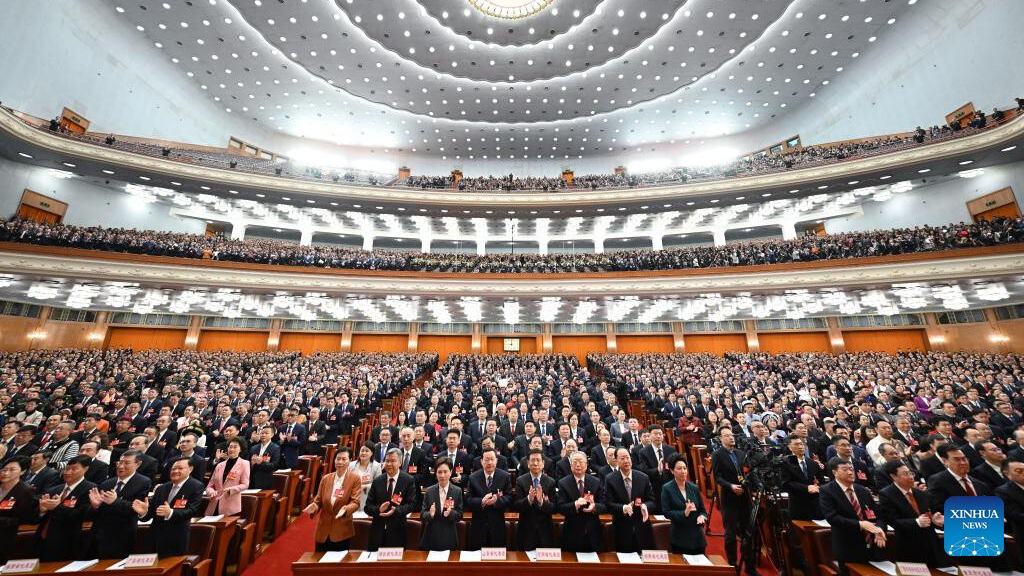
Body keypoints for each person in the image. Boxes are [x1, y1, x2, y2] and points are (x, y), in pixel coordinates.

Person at [819, 457, 887, 575]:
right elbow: (832, 518)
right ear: (835, 472)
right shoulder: (827, 491)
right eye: (845, 469)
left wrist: (880, 528)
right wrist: (860, 524)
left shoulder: (863, 491)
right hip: (848, 548)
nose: (850, 472)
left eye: (851, 469)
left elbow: (880, 515)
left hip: (873, 546)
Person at [877, 461, 947, 567]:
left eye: (911, 473)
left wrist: (936, 521)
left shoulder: (921, 494)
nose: (910, 477)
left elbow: (930, 515)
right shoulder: (886, 494)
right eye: (906, 474)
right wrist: (916, 522)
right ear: (893, 476)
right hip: (909, 546)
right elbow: (892, 520)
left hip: (932, 546)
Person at [87, 449, 152, 559]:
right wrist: (95, 506)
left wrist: (115, 501)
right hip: (98, 535)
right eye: (119, 462)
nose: (121, 466)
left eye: (126, 463)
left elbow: (135, 508)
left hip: (121, 536)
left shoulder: (143, 482)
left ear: (138, 464)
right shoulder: (107, 483)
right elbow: (94, 512)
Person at [133, 457, 204, 557]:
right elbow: (151, 513)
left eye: (180, 468)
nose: (175, 471)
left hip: (176, 537)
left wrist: (170, 512)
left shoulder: (196, 486)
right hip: (155, 538)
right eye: (173, 468)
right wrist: (143, 512)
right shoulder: (162, 488)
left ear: (190, 469)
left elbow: (192, 511)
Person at [35, 455, 95, 561]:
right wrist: (41, 511)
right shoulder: (53, 489)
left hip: (67, 542)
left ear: (85, 469)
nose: (68, 472)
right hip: (42, 540)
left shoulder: (90, 489)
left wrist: (57, 507)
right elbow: (33, 517)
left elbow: (82, 515)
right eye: (67, 468)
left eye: (74, 469)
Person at [711, 428, 755, 574]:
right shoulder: (717, 454)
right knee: (730, 532)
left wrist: (745, 483)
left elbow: (748, 472)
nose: (731, 438)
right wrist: (730, 486)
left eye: (732, 435)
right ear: (720, 439)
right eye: (727, 436)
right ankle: (732, 564)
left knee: (747, 532)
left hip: (744, 496)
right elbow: (717, 477)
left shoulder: (741, 453)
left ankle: (749, 565)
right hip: (729, 497)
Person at [304, 447, 362, 552]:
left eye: (344, 459)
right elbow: (318, 500)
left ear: (350, 461)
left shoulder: (355, 479)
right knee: (319, 563)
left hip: (342, 530)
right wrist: (314, 507)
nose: (340, 462)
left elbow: (355, 502)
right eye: (338, 458)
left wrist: (346, 509)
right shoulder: (326, 478)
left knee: (337, 565)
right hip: (323, 530)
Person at [604, 447, 655, 552]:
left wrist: (645, 506)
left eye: (628, 457)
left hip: (642, 527)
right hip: (622, 528)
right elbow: (608, 503)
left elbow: (652, 501)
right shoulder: (610, 479)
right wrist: (623, 508)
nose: (626, 461)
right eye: (622, 458)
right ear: (616, 460)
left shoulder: (643, 477)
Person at [364, 448, 417, 551]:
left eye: (393, 461)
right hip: (377, 533)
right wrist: (379, 509)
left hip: (397, 532)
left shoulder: (408, 480)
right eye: (387, 461)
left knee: (395, 566)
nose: (389, 464)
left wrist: (396, 511)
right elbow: (367, 507)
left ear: (400, 463)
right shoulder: (377, 481)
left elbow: (411, 505)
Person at [556, 451, 605, 552]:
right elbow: (560, 508)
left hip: (593, 533)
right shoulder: (563, 483)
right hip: (572, 534)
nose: (578, 465)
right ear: (570, 466)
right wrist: (575, 505)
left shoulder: (596, 482)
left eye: (581, 462)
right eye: (575, 462)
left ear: (586, 465)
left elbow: (604, 505)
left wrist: (594, 506)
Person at [661, 454, 707, 554]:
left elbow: (703, 510)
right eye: (679, 468)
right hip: (680, 538)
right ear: (672, 471)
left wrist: (702, 516)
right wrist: (684, 513)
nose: (683, 471)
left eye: (685, 468)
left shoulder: (694, 488)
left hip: (697, 537)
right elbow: (666, 512)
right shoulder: (667, 488)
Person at [466, 448, 511, 549]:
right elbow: (468, 499)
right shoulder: (473, 477)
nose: (490, 462)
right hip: (478, 526)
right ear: (481, 461)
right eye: (486, 459)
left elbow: (509, 497)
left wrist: (497, 501)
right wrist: (482, 501)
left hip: (497, 525)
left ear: (497, 460)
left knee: (497, 561)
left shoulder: (504, 476)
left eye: (492, 459)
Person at [514, 449, 556, 550]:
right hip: (526, 530)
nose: (535, 463)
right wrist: (529, 499)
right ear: (528, 463)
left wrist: (542, 502)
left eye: (538, 460)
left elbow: (555, 508)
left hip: (545, 531)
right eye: (532, 460)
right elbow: (516, 505)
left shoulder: (551, 482)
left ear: (543, 463)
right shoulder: (521, 481)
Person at [419, 457, 463, 551]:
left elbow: (459, 515)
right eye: (439, 472)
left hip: (449, 537)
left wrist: (451, 513)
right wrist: (430, 514)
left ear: (451, 472)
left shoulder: (457, 491)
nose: (442, 475)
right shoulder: (429, 491)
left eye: (445, 471)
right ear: (435, 473)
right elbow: (422, 515)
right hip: (431, 537)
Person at [0, 456, 36, 563]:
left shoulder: (25, 491)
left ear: (23, 471)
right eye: (4, 470)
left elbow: (23, 518)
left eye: (12, 470)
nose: (6, 473)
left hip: (6, 537)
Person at [781, 436, 826, 520]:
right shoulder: (785, 462)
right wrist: (806, 488)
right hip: (798, 506)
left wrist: (818, 486)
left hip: (815, 506)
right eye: (796, 444)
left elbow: (822, 482)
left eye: (802, 444)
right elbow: (786, 483)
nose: (800, 446)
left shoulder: (813, 463)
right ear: (790, 447)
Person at [204, 437, 250, 516]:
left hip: (231, 505)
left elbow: (245, 484)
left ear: (240, 449)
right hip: (214, 504)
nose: (232, 449)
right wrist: (211, 492)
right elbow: (210, 486)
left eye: (235, 447)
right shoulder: (219, 465)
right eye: (230, 447)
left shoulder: (244, 463)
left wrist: (230, 490)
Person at [349, 442, 382, 510]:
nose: (363, 453)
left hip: (368, 498)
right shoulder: (351, 465)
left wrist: (365, 486)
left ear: (372, 453)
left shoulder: (376, 466)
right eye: (362, 450)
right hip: (352, 497)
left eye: (367, 451)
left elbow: (379, 485)